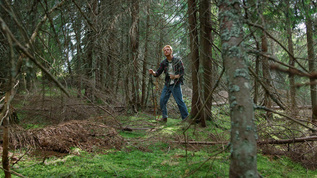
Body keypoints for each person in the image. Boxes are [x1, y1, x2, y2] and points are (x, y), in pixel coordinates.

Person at [149, 45, 189, 122]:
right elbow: (157, 73)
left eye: (167, 50)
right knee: (162, 100)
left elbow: (182, 72)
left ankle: (185, 118)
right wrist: (152, 72)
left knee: (179, 101)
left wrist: (175, 76)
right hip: (167, 84)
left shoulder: (177, 60)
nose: (166, 51)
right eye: (164, 50)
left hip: (176, 84)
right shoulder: (163, 62)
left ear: (171, 51)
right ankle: (164, 118)